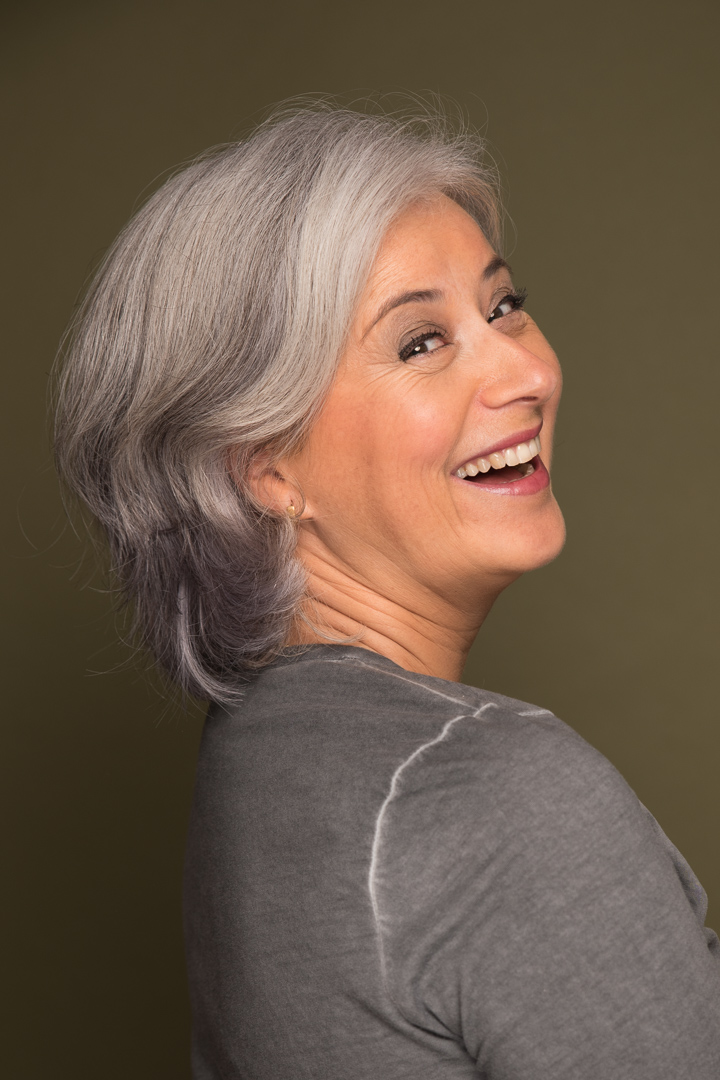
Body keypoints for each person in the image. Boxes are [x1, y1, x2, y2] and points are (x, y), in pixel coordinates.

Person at [53, 104, 720, 1078]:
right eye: (420, 343)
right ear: (264, 467)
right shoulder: (498, 795)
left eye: (503, 306)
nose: (527, 371)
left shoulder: (259, 757)